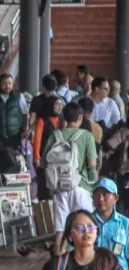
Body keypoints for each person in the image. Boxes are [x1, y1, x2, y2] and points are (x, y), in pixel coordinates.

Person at [42, 102, 98, 255]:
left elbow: (43, 161)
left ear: (64, 117)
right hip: (81, 186)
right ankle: (84, 258)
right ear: (80, 117)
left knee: (60, 227)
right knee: (85, 224)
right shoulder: (87, 136)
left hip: (60, 187)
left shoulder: (55, 135)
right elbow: (92, 164)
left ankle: (57, 259)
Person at [33, 95, 65, 201]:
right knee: (44, 187)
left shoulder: (62, 121)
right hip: (44, 158)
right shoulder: (43, 120)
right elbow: (37, 139)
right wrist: (36, 157)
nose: (59, 107)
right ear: (50, 105)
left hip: (58, 159)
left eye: (61, 104)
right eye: (56, 104)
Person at [0, 73, 28, 151]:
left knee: (14, 159)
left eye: (9, 83)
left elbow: (24, 115)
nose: (7, 86)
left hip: (14, 136)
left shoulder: (19, 96)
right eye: (4, 84)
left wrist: (25, 129)